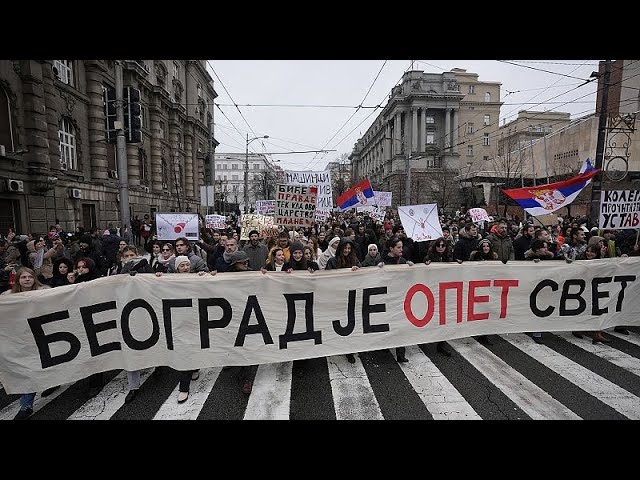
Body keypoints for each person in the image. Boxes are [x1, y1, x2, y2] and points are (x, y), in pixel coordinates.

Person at [2, 267, 51, 419]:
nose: (27, 279)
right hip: (22, 339)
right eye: (23, 277)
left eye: (30, 277)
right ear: (18, 281)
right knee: (30, 369)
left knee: (48, 364)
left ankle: (52, 381)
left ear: (34, 279)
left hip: (44, 335)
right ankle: (26, 405)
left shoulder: (46, 293)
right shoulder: (7, 299)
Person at [157, 255, 207, 402]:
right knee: (184, 351)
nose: (185, 268)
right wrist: (158, 278)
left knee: (195, 346)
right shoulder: (170, 280)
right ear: (177, 268)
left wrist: (208, 277)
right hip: (178, 321)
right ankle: (184, 388)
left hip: (195, 319)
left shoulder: (197, 277)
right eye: (182, 266)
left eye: (187, 265)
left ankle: (195, 367)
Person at [326, 237, 361, 363]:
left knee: (351, 324)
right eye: (345, 248)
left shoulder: (355, 260)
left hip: (351, 297)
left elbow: (363, 275)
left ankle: (349, 350)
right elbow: (327, 278)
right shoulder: (332, 261)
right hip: (337, 297)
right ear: (340, 248)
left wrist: (357, 270)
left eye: (349, 248)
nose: (347, 250)